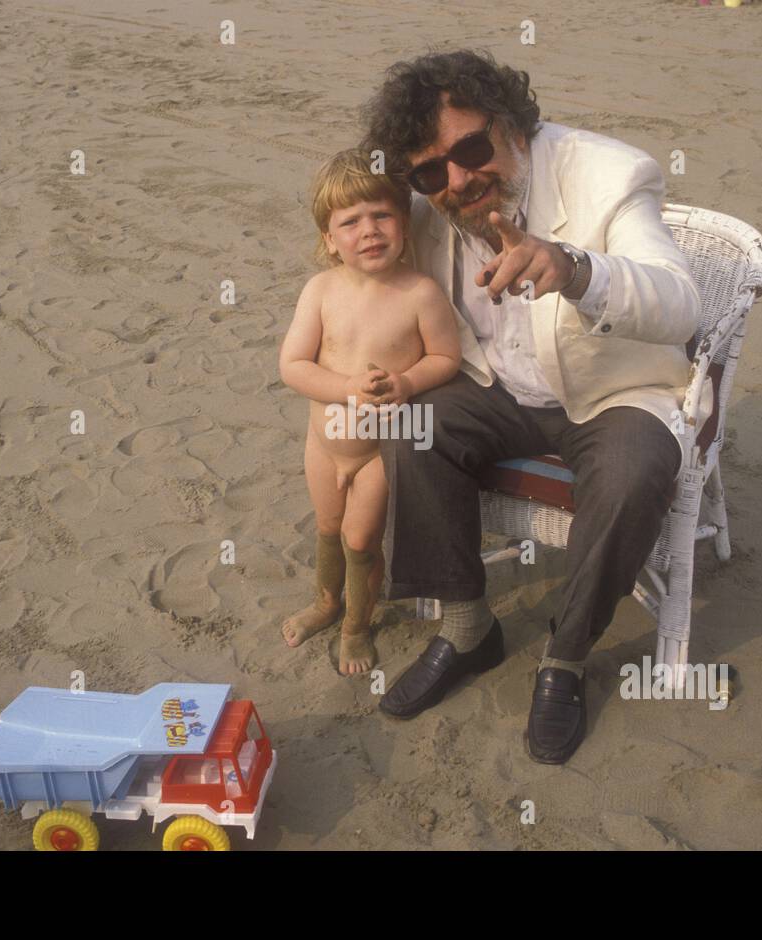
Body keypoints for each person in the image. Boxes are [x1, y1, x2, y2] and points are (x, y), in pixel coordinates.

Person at [360, 50, 711, 762]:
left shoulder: (611, 174)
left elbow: (682, 304)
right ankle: (466, 629)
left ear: (512, 123)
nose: (457, 180)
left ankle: (568, 658)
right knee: (412, 430)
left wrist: (575, 268)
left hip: (615, 390)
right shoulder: (430, 205)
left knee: (631, 475)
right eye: (431, 170)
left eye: (470, 148)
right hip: (496, 384)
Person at [278, 149, 462, 676]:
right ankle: (326, 602)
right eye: (350, 222)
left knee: (360, 540)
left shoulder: (420, 294)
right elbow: (292, 365)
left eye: (382, 215)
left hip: (381, 451)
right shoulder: (320, 291)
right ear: (329, 239)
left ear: (404, 224)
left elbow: (446, 357)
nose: (369, 231)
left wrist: (405, 381)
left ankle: (357, 626)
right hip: (324, 443)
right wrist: (345, 387)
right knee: (329, 528)